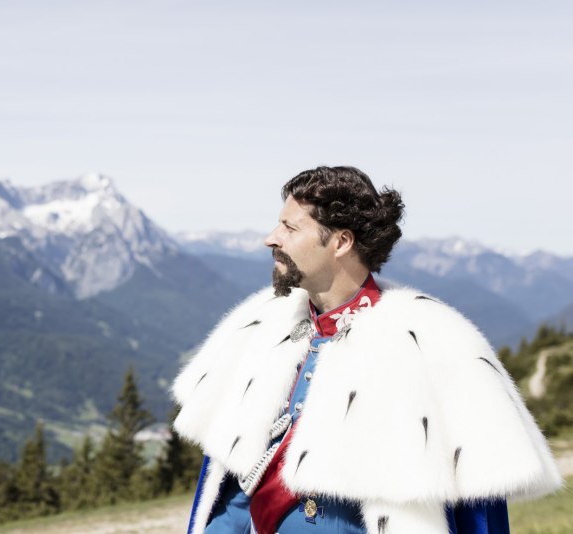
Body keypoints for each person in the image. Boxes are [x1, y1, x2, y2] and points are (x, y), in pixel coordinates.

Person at [171, 166, 562, 534]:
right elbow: (233, 499)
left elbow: (478, 513)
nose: (271, 238)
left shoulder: (434, 345)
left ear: (341, 242)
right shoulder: (260, 332)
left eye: (290, 227)